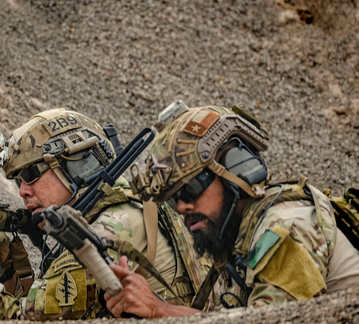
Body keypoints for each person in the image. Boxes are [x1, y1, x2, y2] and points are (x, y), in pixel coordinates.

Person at [0, 108, 209, 320]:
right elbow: (50, 309)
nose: (22, 189)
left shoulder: (102, 237)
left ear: (77, 165)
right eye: (17, 179)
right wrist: (3, 267)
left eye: (32, 174)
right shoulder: (131, 205)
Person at [104, 102, 359, 318]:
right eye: (172, 200)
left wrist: (159, 309)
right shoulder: (236, 245)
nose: (182, 207)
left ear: (235, 168)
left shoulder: (285, 228)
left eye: (190, 188)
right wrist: (148, 307)